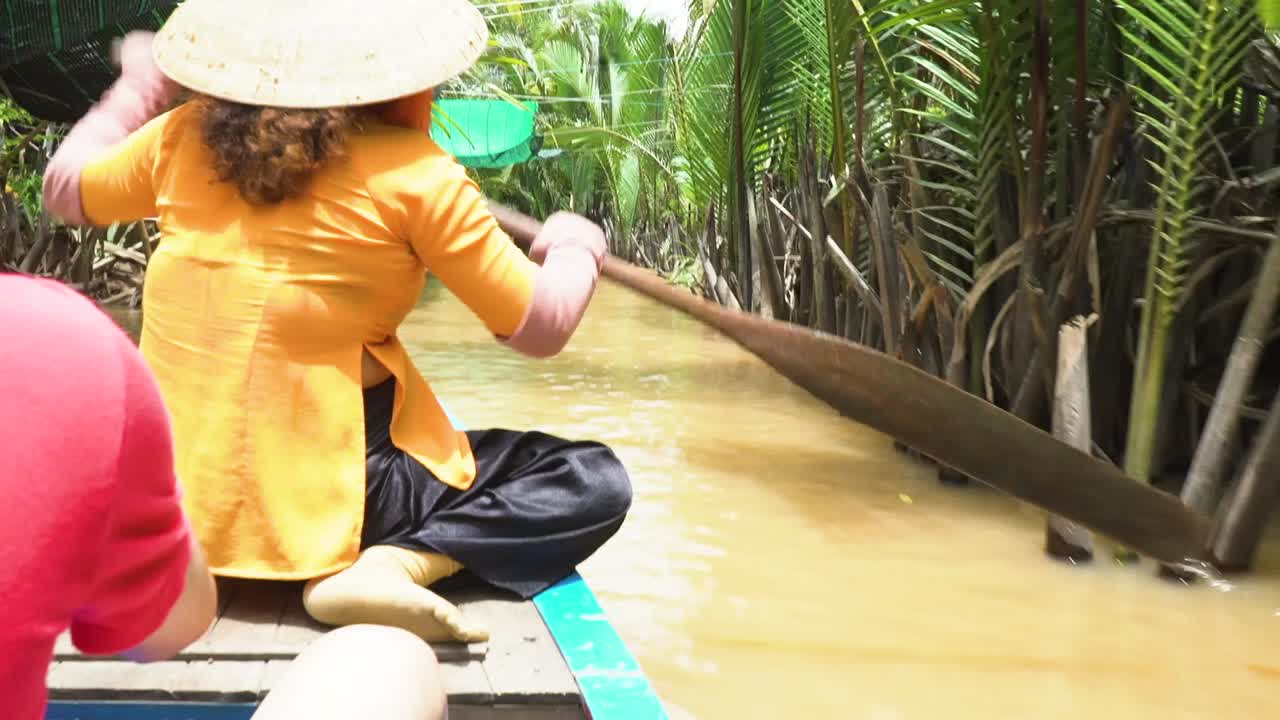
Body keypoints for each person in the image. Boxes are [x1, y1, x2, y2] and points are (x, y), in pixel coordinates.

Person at [42, 0, 632, 644]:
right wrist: (574, 248)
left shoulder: (180, 139)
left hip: (176, 501)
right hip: (346, 497)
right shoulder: (415, 173)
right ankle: (392, 564)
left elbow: (66, 189)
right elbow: (540, 326)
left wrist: (140, 88)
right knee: (588, 478)